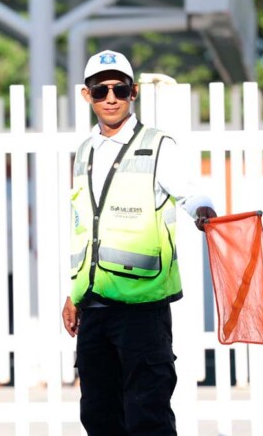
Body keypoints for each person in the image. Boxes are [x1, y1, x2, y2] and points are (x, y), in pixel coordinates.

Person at [61, 49, 217, 435]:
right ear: (87, 95)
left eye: (119, 88)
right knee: (99, 417)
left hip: (142, 309)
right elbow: (87, 229)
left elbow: (190, 193)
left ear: (133, 93)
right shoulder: (85, 152)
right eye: (100, 90)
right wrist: (74, 294)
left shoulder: (158, 145)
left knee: (147, 416)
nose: (110, 97)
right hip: (95, 308)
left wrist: (203, 213)